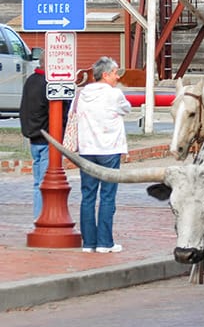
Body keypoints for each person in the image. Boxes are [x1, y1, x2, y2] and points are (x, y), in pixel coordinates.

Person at [74, 56, 131, 253]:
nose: (117, 77)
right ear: (105, 75)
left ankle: (88, 242)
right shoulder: (114, 95)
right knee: (107, 196)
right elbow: (127, 109)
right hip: (109, 149)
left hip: (87, 149)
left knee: (87, 196)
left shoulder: (82, 93)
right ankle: (105, 242)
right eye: (115, 73)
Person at [19, 55, 69, 221]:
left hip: (34, 137)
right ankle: (44, 217)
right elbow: (60, 112)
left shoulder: (31, 81)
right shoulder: (48, 84)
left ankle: (38, 215)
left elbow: (25, 108)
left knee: (38, 182)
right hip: (48, 139)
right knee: (45, 181)